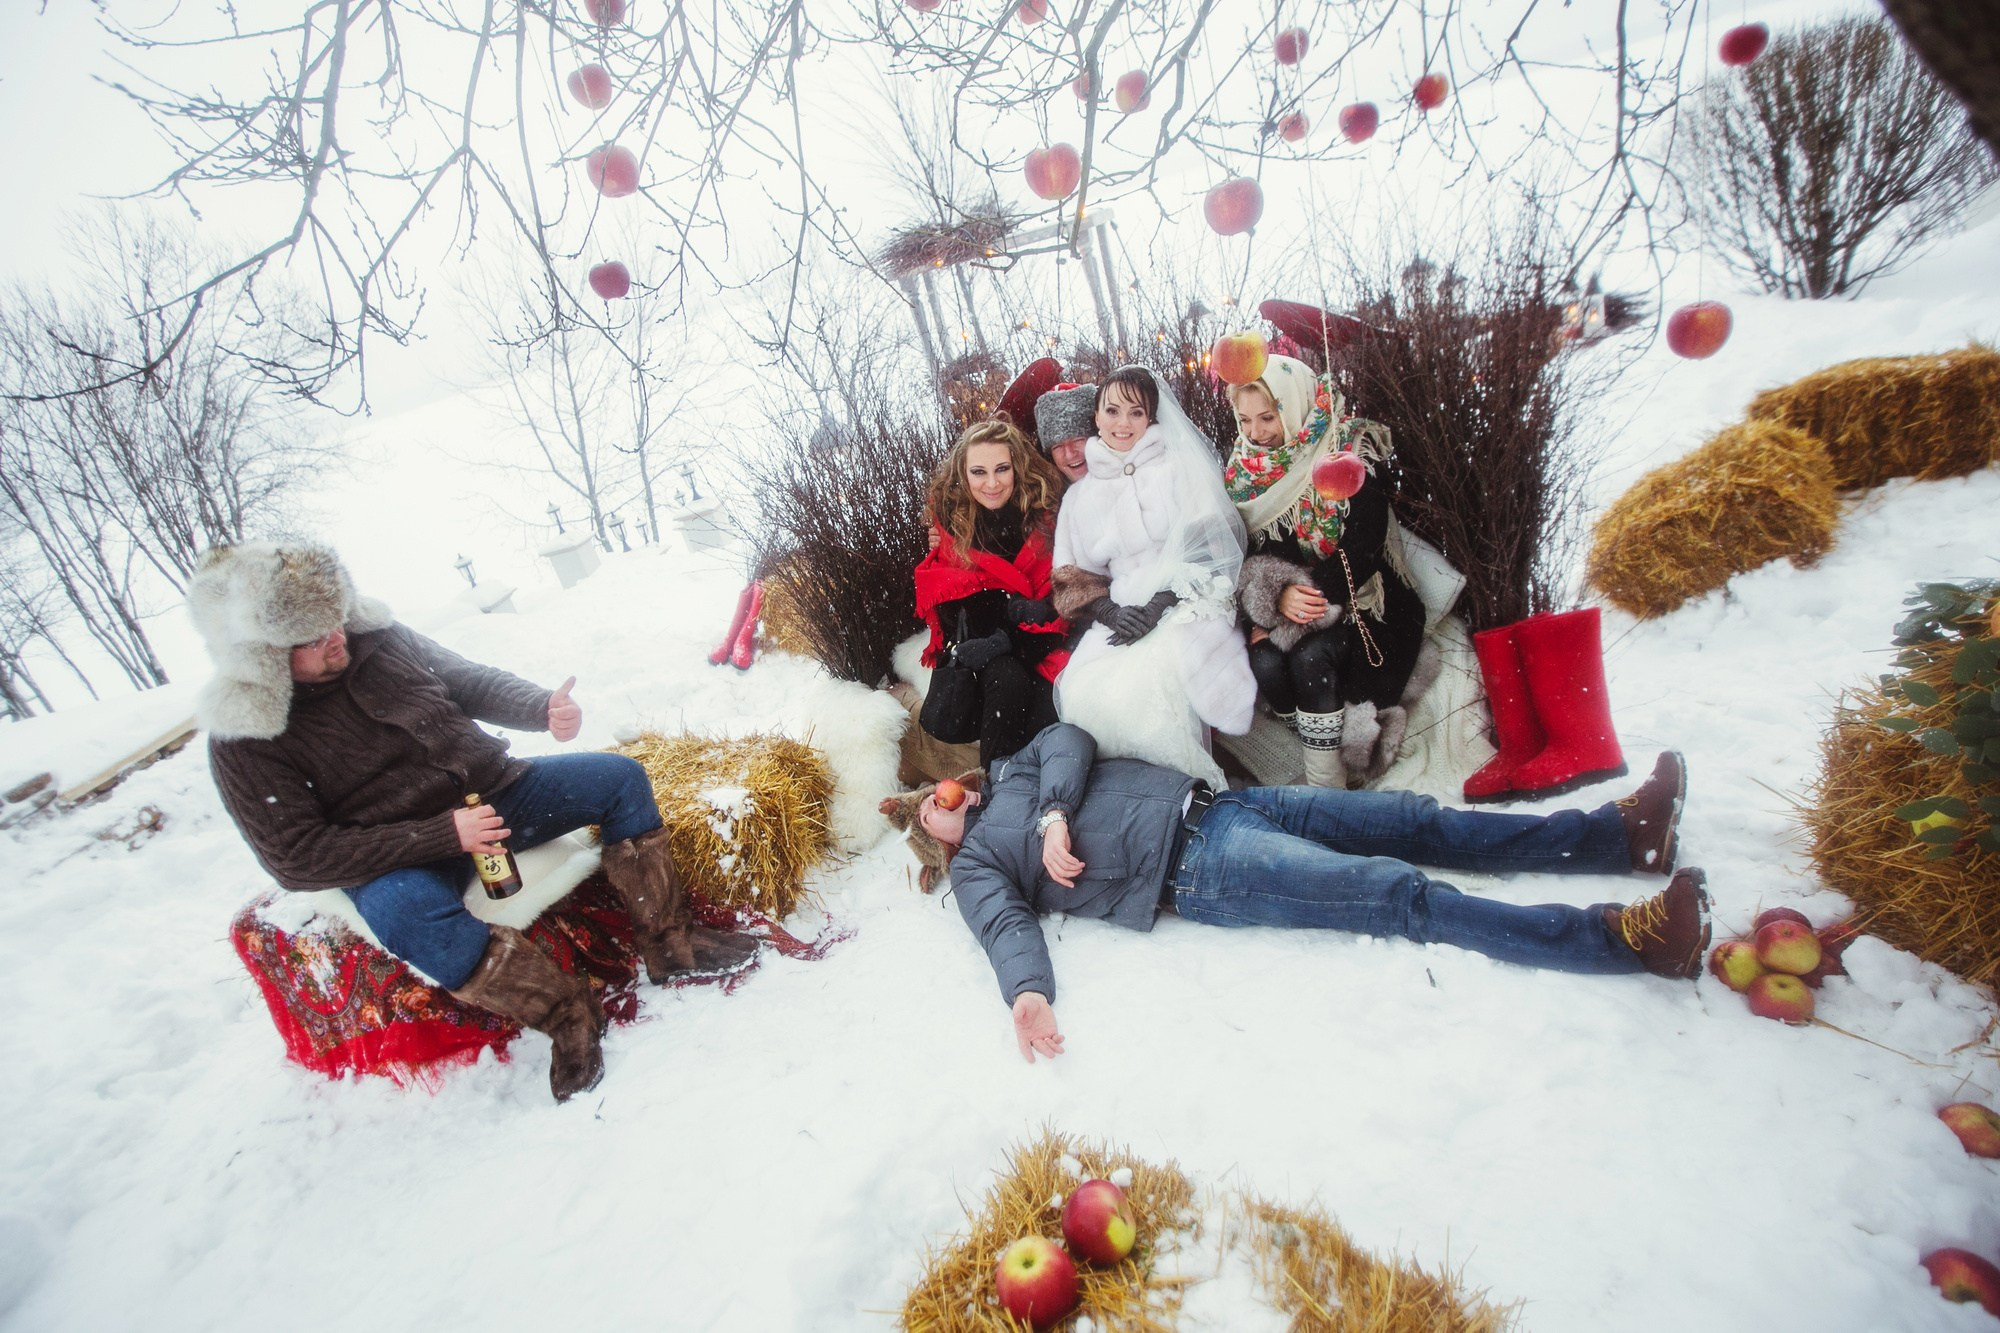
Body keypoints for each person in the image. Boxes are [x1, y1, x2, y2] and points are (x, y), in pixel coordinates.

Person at [190, 541, 759, 1102]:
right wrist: (442, 835)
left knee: (618, 779)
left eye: (335, 619)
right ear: (262, 655)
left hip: (495, 793)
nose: (336, 637)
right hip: (398, 851)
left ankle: (672, 946)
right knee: (406, 916)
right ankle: (567, 1013)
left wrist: (541, 708)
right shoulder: (246, 736)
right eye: (313, 638)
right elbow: (296, 856)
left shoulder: (377, 639)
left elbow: (465, 680)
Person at [882, 723, 1704, 1061]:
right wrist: (1027, 994)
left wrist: (1053, 814)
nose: (936, 808)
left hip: (1227, 800)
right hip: (1200, 866)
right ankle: (1618, 940)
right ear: (936, 842)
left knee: (1415, 819)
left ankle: (1616, 834)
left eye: (934, 797)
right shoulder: (980, 865)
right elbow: (1001, 929)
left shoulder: (1018, 771)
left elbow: (1072, 737)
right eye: (927, 820)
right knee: (1394, 891)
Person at [1226, 355, 1435, 788]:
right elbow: (1255, 556)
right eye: (1244, 420)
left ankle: (1329, 789)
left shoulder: (1347, 449)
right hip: (1298, 607)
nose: (1256, 433)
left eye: (1268, 417)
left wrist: (1289, 608)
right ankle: (1320, 749)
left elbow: (1362, 551)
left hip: (1367, 605)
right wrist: (1274, 599)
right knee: (1264, 663)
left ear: (1295, 404)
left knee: (1309, 659)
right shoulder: (1248, 473)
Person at [1049, 366, 1257, 789]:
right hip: (1122, 608)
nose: (1122, 424)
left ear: (1151, 419)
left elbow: (1213, 544)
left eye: (1136, 413)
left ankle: (1194, 788)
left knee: (1161, 674)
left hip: (1189, 595)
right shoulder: (1079, 495)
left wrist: (1161, 603)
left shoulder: (1179, 467)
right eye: (1112, 411)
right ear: (1097, 415)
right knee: (1086, 690)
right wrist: (1109, 611)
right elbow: (1069, 576)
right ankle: (1138, 797)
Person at [913, 422, 1073, 769]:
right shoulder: (953, 529)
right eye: (979, 472)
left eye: (1002, 469)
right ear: (963, 474)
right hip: (992, 655)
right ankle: (999, 789)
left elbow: (1065, 596)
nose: (992, 483)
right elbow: (959, 613)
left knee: (1051, 696)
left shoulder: (1047, 516)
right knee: (1007, 680)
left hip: (1049, 641)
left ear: (1017, 466)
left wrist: (1017, 627)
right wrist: (1011, 619)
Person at [1032, 381, 1096, 483]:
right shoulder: (1048, 497)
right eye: (1057, 446)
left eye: (1078, 440)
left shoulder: (1127, 484)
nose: (1069, 454)